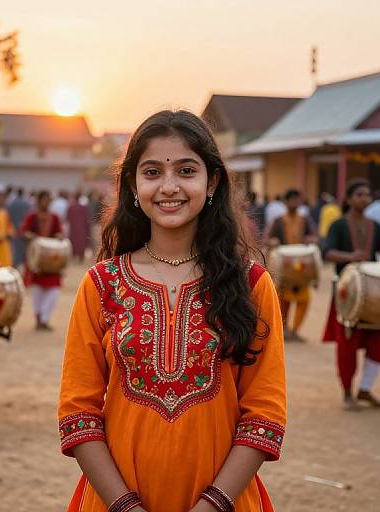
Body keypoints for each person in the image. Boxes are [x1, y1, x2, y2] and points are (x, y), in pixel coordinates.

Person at [58, 110, 286, 512]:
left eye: (185, 170)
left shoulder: (251, 286)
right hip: (114, 504)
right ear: (132, 185)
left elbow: (264, 416)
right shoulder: (102, 285)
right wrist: (126, 507)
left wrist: (211, 506)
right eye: (151, 173)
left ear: (211, 181)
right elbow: (79, 413)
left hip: (224, 504)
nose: (168, 187)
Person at [323, 179, 380, 411]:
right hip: (346, 293)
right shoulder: (338, 225)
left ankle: (365, 389)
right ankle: (347, 392)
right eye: (360, 195)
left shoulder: (375, 226)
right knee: (347, 346)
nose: (365, 198)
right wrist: (350, 257)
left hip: (374, 295)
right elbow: (328, 252)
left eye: (367, 195)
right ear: (348, 199)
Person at [265, 189, 317, 341]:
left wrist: (311, 239)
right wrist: (272, 242)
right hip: (285, 266)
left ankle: (294, 330)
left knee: (304, 299)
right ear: (286, 202)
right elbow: (267, 239)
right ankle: (284, 330)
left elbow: (315, 237)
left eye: (297, 199)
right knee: (283, 299)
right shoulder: (279, 220)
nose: (295, 203)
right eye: (291, 200)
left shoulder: (305, 220)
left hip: (301, 265)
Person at [20, 190, 64, 330]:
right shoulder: (32, 216)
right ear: (39, 201)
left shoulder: (55, 217)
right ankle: (39, 318)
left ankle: (45, 318)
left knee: (54, 289)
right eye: (44, 200)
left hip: (52, 259)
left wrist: (59, 236)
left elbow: (60, 233)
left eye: (48, 200)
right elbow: (23, 232)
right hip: (36, 259)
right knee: (37, 289)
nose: (47, 202)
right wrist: (30, 236)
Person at [7, 187, 32, 267]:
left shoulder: (11, 204)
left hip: (15, 231)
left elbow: (9, 217)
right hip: (25, 233)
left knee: (16, 253)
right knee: (25, 254)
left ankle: (15, 269)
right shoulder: (27, 204)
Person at [67, 191, 90, 261]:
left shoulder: (70, 207)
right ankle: (81, 257)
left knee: (73, 241)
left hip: (73, 228)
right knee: (81, 241)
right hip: (82, 228)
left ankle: (74, 256)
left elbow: (67, 218)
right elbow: (87, 218)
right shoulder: (83, 208)